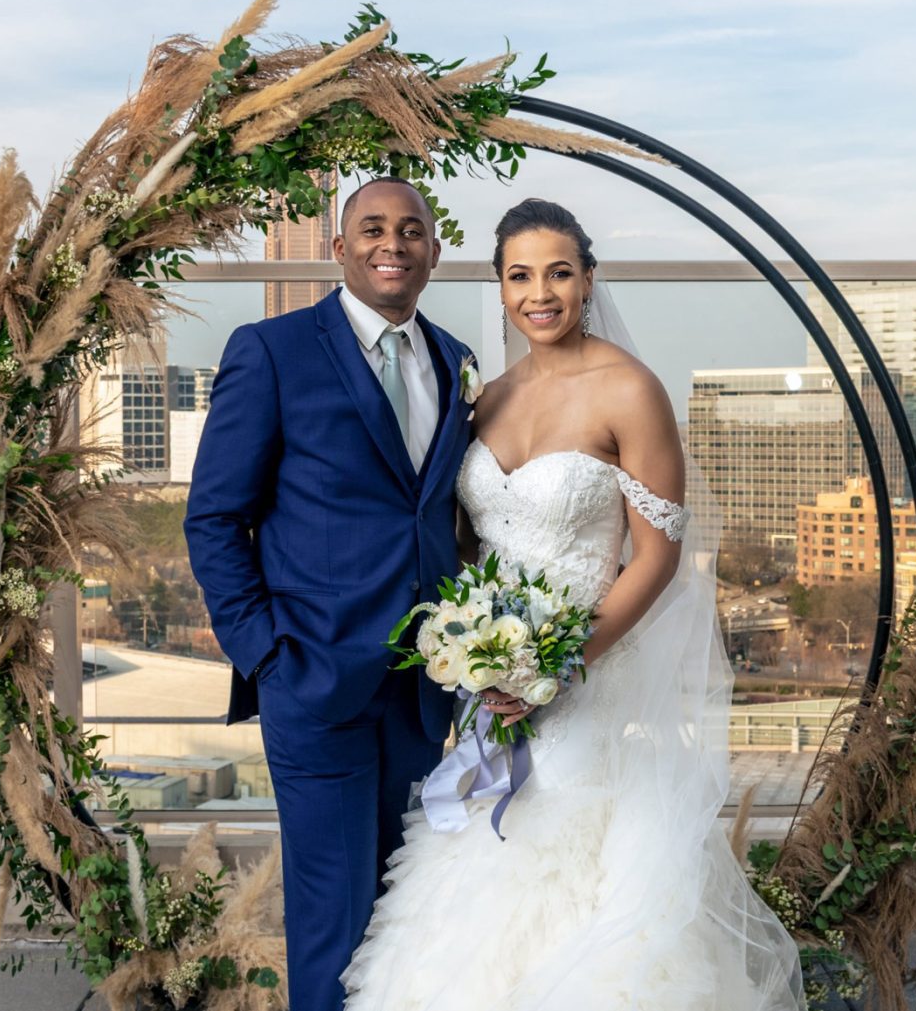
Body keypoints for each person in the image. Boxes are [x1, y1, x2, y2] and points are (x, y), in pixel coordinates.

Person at [340, 199, 805, 1010]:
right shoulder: (482, 397)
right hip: (493, 688)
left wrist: (555, 665)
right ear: (499, 288)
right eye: (520, 275)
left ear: (588, 280)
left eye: (559, 272)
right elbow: (471, 548)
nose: (540, 292)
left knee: (581, 884)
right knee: (475, 880)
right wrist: (475, 654)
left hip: (591, 681)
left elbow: (657, 557)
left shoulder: (630, 390)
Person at [184, 178, 476, 1011]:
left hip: (423, 692)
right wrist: (268, 655)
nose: (395, 242)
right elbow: (213, 517)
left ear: (433, 251)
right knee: (333, 920)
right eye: (374, 228)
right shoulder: (271, 350)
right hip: (314, 680)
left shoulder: (456, 360)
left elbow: (437, 518)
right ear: (340, 247)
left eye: (412, 229)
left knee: (403, 914)